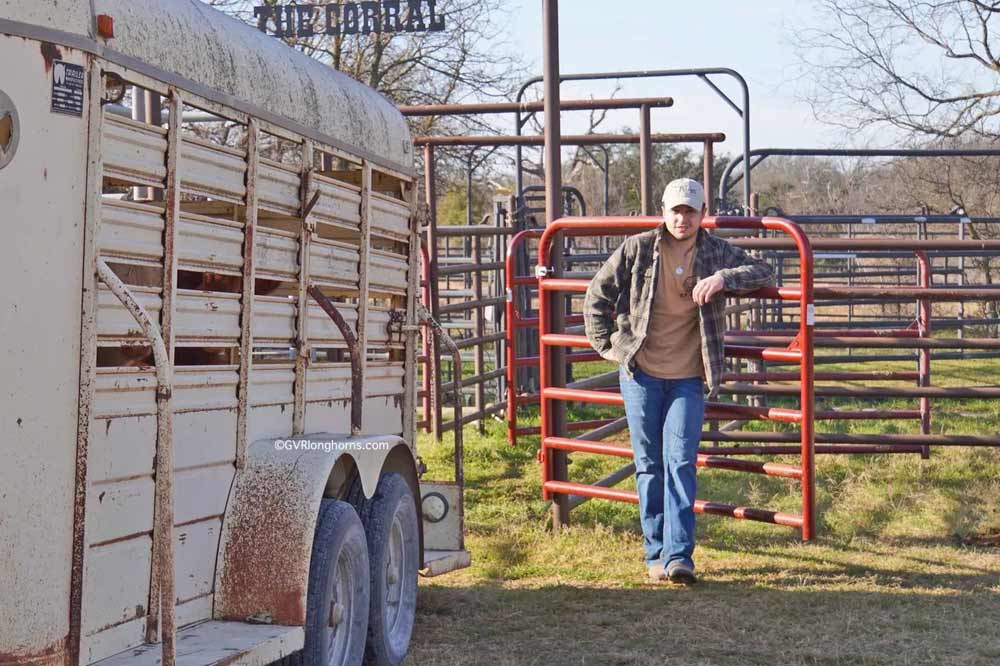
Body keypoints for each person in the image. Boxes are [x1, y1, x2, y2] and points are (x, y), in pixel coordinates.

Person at [583, 178, 774, 584]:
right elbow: (598, 293)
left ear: (702, 214)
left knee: (681, 461)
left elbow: (763, 268)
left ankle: (679, 555)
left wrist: (724, 279)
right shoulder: (639, 249)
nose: (682, 218)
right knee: (649, 464)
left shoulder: (714, 251)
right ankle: (655, 552)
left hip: (689, 375)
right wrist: (611, 347)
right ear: (663, 212)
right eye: (675, 210)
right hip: (642, 372)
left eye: (690, 211)